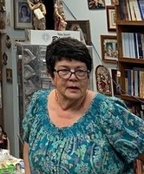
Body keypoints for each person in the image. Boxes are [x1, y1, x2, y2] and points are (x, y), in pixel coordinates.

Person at [22, 37, 144, 173]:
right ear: (51, 75)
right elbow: (28, 143)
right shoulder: (38, 103)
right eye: (64, 70)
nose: (73, 77)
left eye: (80, 71)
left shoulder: (107, 111)